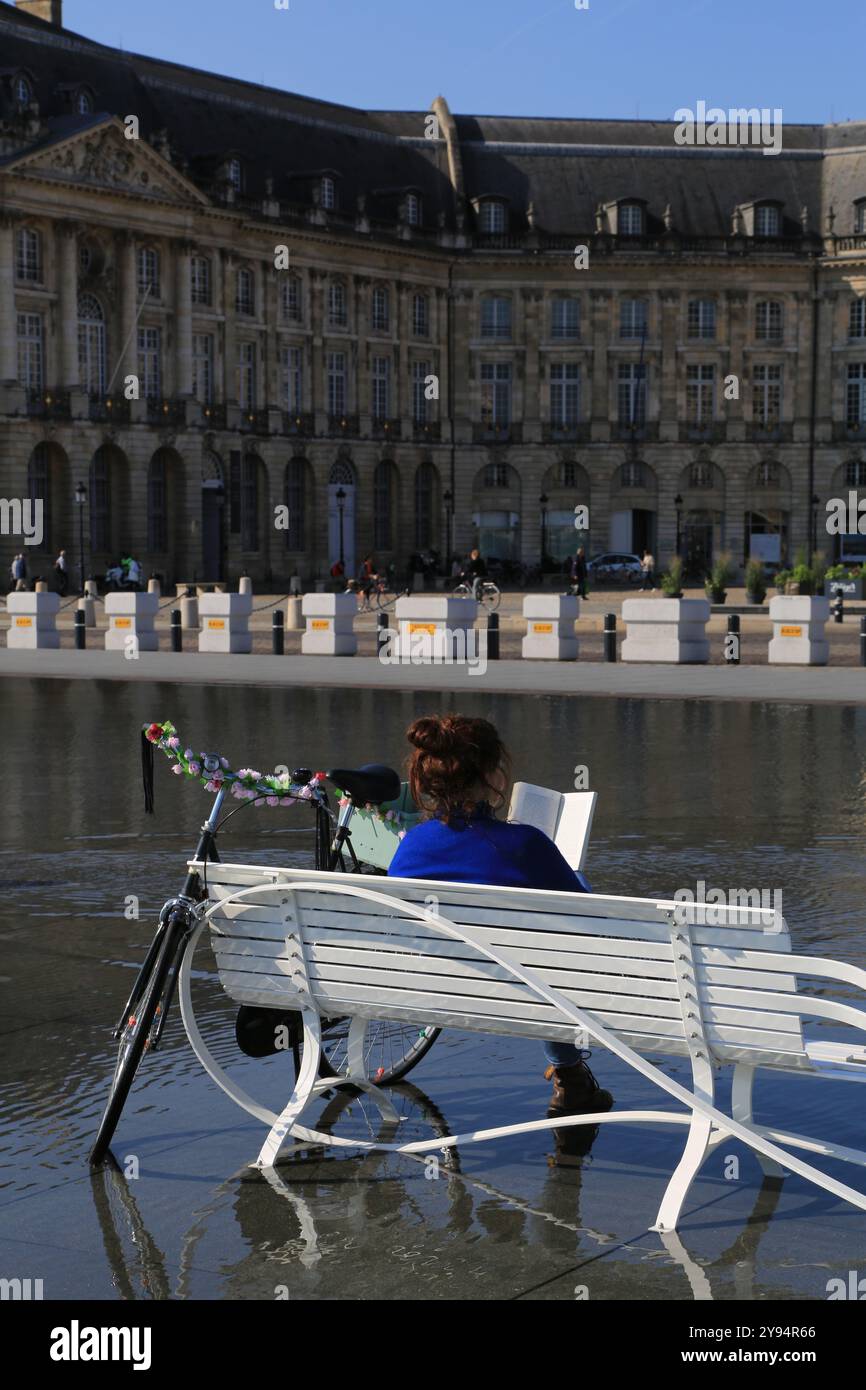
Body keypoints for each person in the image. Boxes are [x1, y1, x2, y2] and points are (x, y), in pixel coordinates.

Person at [388, 714, 613, 1119]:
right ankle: (571, 1076)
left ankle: (572, 1077)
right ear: (495, 776)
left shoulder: (412, 846)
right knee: (554, 949)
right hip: (518, 990)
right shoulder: (524, 844)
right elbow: (589, 923)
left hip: (432, 986)